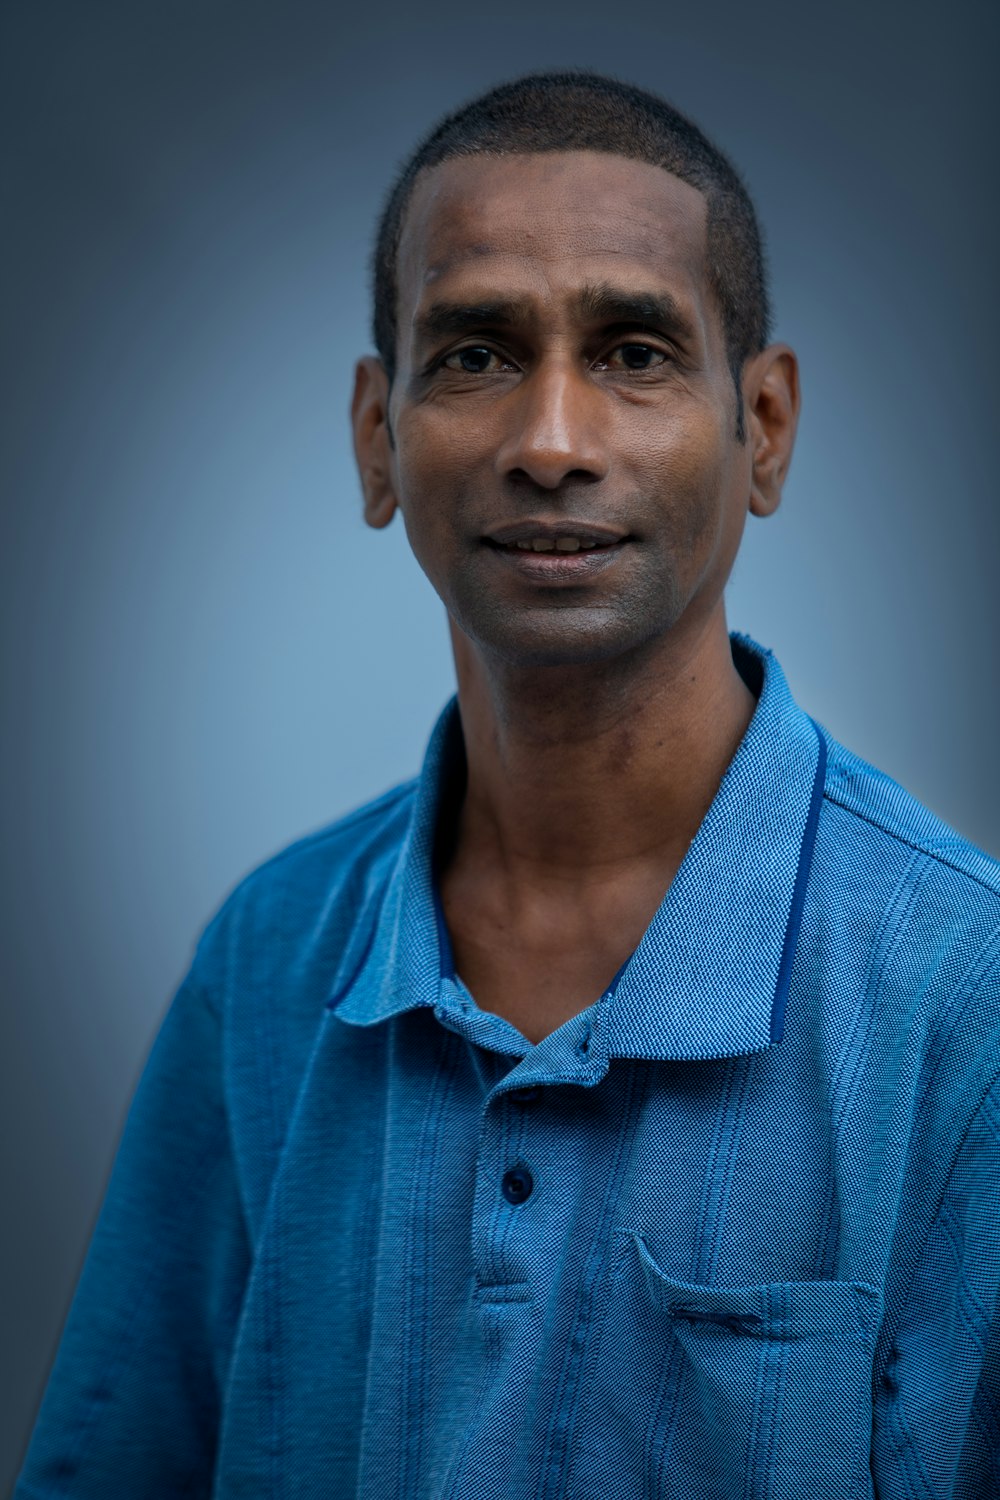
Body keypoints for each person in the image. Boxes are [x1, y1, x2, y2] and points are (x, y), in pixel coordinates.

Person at [15, 70, 1000, 1500]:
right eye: (476, 353)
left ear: (765, 427)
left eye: (636, 350)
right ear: (377, 433)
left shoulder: (960, 996)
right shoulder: (270, 961)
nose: (551, 440)